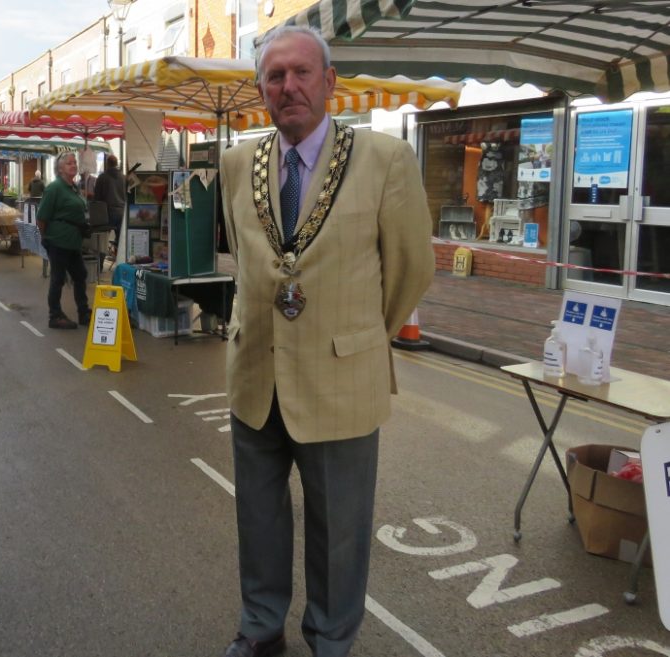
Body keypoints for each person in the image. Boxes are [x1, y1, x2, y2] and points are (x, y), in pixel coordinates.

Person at [218, 26, 433, 657]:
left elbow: (411, 269)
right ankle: (260, 630)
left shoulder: (385, 160)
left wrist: (362, 338)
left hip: (342, 379)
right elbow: (246, 259)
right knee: (257, 519)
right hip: (256, 372)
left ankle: (331, 641)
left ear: (330, 82)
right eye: (275, 76)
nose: (289, 87)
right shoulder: (237, 163)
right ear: (262, 90)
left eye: (302, 73)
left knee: (339, 530)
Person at [36, 151, 91, 330]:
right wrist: (46, 238)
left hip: (73, 242)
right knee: (58, 279)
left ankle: (84, 312)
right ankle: (55, 315)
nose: (73, 165)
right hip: (58, 241)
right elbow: (42, 217)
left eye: (74, 162)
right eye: (69, 163)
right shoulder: (54, 188)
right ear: (60, 169)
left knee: (80, 275)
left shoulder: (73, 187)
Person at [93, 154, 126, 244]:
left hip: (107, 213)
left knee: (103, 239)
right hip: (122, 211)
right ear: (116, 164)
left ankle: (104, 254)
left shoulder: (102, 177)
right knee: (120, 241)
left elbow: (97, 197)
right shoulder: (124, 177)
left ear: (107, 164)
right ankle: (118, 256)